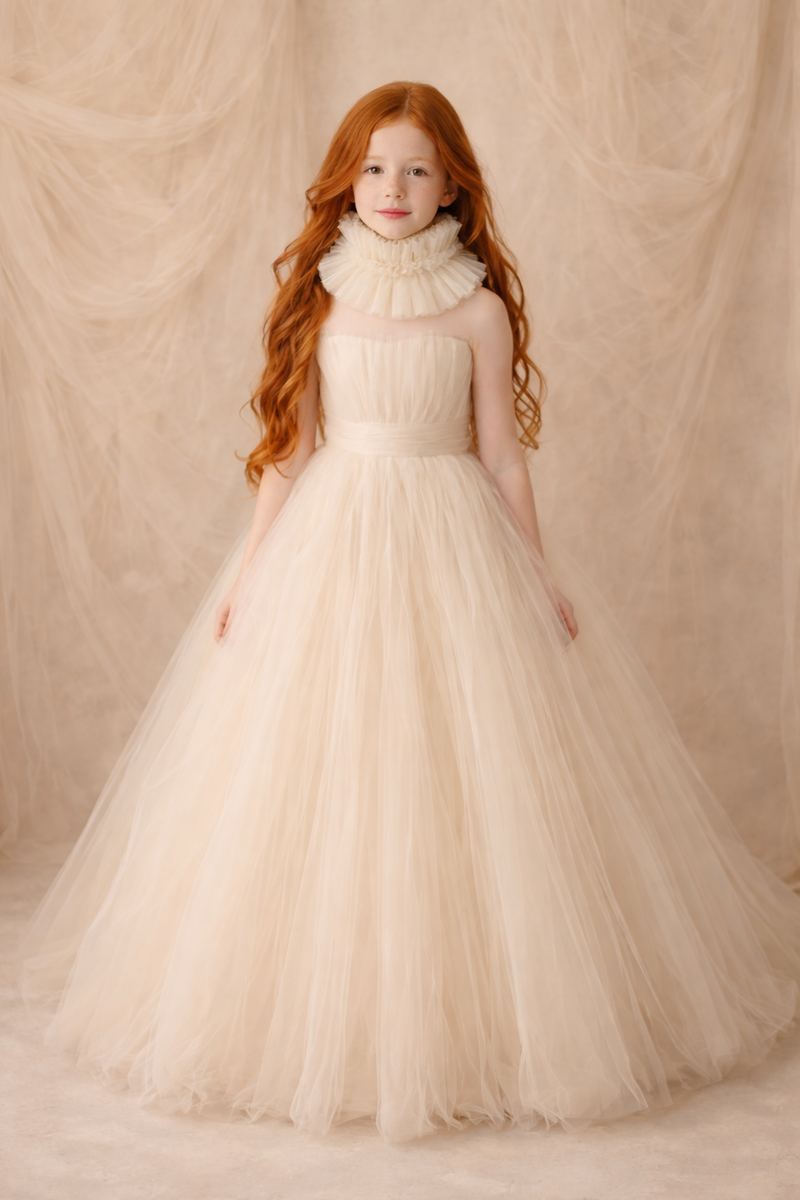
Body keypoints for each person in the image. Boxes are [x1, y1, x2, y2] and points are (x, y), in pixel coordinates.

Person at [21, 82, 800, 1143]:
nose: (394, 188)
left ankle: (470, 1017)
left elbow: (503, 461)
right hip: (331, 545)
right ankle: (330, 1015)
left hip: (452, 543)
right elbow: (290, 456)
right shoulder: (322, 297)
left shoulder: (475, 308)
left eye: (419, 169)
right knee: (325, 774)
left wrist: (537, 576)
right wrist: (249, 577)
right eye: (377, 167)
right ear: (348, 177)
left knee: (463, 773)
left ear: (452, 186)